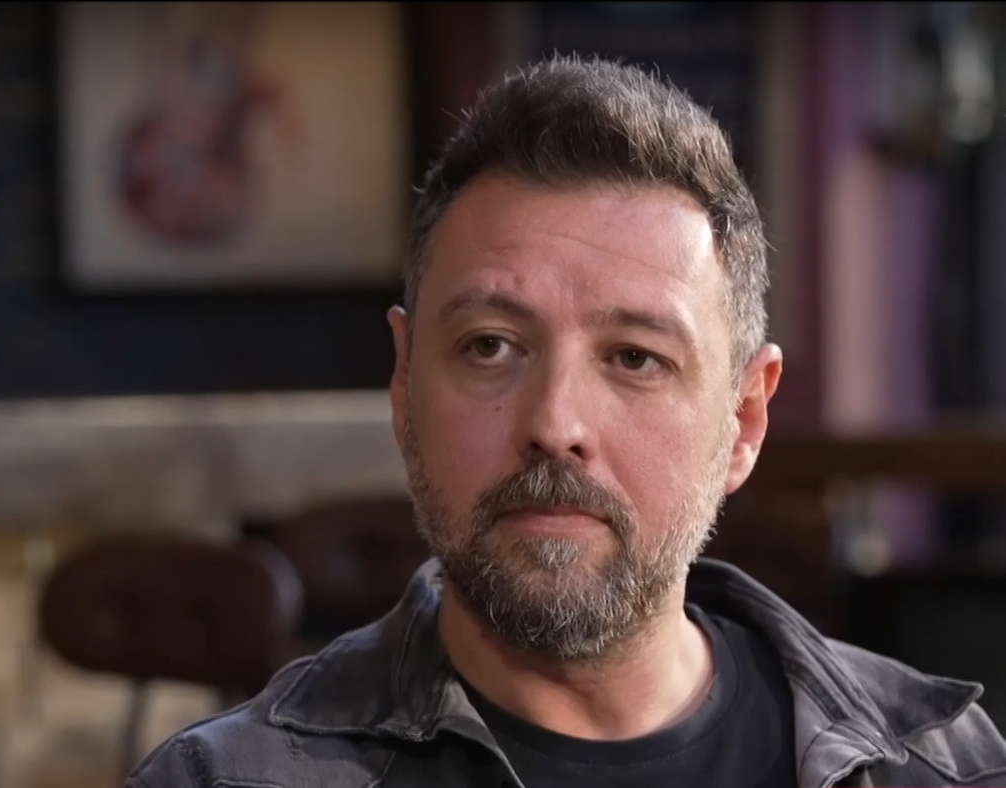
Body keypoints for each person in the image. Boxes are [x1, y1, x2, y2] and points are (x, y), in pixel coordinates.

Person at [127, 54, 1006, 788]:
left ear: (743, 418)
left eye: (635, 358)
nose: (555, 423)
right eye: (490, 347)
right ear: (404, 385)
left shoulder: (943, 769)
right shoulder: (228, 782)